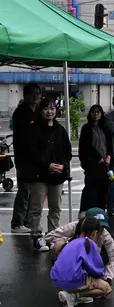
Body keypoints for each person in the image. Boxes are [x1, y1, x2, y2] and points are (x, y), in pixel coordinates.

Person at [24, 96, 72, 250]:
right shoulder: (34, 129)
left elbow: (67, 151)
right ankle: (36, 236)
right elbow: (32, 152)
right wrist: (48, 165)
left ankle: (52, 236)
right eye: (46, 108)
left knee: (55, 208)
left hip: (57, 176)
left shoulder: (60, 129)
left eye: (52, 108)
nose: (49, 111)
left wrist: (62, 165)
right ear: (41, 110)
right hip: (39, 175)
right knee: (36, 207)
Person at [50, 214, 113, 307]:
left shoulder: (70, 243)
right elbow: (95, 268)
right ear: (95, 233)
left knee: (83, 277)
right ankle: (73, 296)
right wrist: (102, 277)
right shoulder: (89, 243)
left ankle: (71, 293)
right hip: (72, 280)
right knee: (106, 288)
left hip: (57, 281)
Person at [46, 207, 114, 288]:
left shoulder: (104, 234)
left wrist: (108, 277)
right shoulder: (75, 226)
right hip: (73, 260)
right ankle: (62, 270)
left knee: (104, 284)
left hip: (92, 262)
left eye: (101, 228)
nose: (97, 231)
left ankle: (81, 283)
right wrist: (68, 244)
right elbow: (50, 236)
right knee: (58, 245)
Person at [9, 82, 41, 230]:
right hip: (24, 158)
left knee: (33, 192)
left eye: (38, 94)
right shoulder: (21, 112)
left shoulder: (38, 111)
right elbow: (24, 137)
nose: (36, 96)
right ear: (26, 95)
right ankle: (17, 222)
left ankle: (27, 221)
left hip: (35, 158)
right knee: (24, 190)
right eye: (32, 94)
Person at [78, 104, 112, 213]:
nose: (96, 114)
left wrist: (108, 157)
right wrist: (98, 157)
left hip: (104, 166)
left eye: (98, 112)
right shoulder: (86, 128)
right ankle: (87, 213)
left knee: (103, 191)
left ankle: (101, 214)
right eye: (93, 112)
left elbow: (109, 144)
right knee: (90, 191)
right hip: (92, 164)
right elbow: (86, 146)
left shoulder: (105, 128)